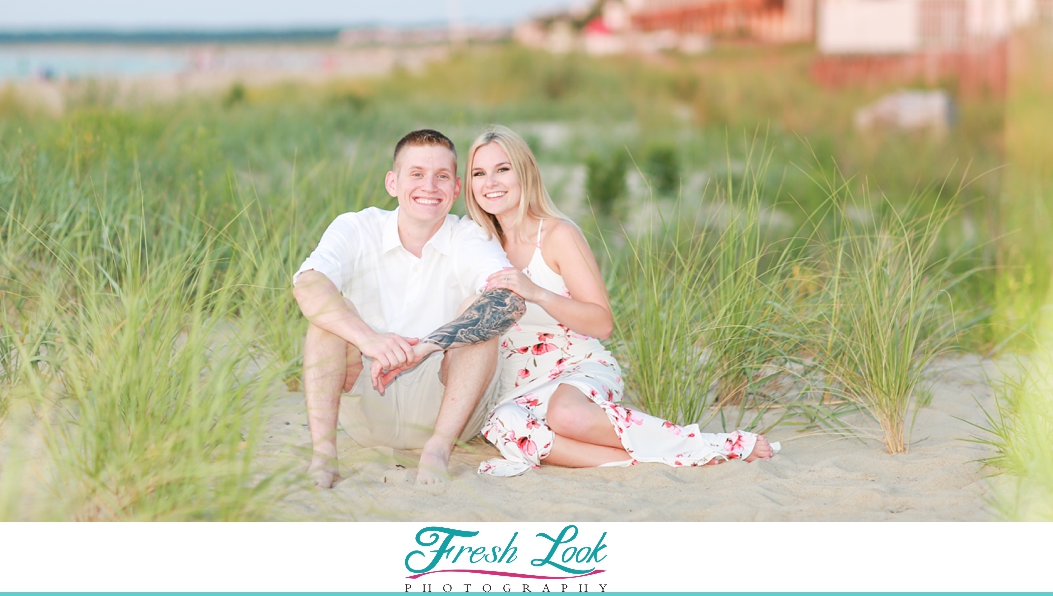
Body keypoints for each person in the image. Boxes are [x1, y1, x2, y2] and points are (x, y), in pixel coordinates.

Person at [461, 125, 777, 476]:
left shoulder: (557, 235)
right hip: (516, 387)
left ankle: (708, 444)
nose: (490, 182)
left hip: (574, 367)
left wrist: (537, 293)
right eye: (479, 173)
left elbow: (602, 322)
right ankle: (639, 459)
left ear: (526, 173)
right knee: (504, 425)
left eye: (502, 169)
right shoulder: (478, 244)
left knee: (564, 416)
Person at [291, 129, 526, 488]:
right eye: (416, 174)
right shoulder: (357, 226)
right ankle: (324, 457)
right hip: (371, 400)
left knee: (480, 313)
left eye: (441, 176)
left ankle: (437, 451)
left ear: (456, 188)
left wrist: (427, 346)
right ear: (392, 182)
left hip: (448, 409)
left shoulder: (471, 236)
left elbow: (509, 299)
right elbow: (307, 284)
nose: (429, 186)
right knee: (329, 316)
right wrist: (368, 339)